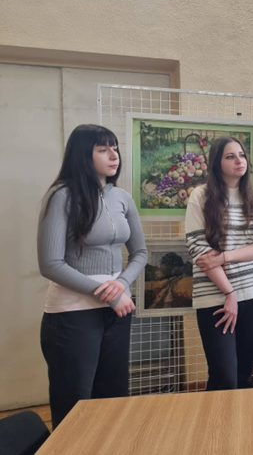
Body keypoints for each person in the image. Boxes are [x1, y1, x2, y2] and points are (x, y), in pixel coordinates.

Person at [37, 124, 147, 429]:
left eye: (115, 148)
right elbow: (50, 264)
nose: (114, 155)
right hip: (73, 314)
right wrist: (108, 293)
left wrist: (121, 285)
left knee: (113, 399)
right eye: (103, 149)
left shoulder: (122, 197)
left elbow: (140, 253)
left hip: (117, 311)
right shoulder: (62, 196)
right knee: (75, 407)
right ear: (83, 155)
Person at [185, 136, 253, 390]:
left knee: (244, 374)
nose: (239, 161)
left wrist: (226, 256)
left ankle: (245, 417)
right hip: (215, 297)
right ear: (217, 162)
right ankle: (220, 418)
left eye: (242, 155)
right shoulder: (201, 195)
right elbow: (199, 250)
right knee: (224, 376)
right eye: (230, 156)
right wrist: (229, 293)